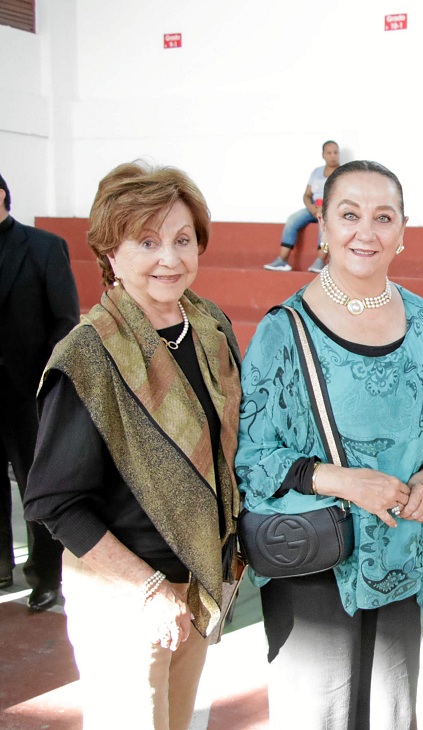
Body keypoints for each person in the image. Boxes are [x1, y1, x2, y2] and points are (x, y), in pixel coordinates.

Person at [236, 159, 423, 730]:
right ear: (323, 222)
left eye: (383, 217)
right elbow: (253, 456)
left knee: (392, 713)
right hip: (315, 556)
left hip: (403, 555)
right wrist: (345, 482)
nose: (366, 232)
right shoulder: (284, 330)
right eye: (349, 214)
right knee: (320, 714)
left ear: (403, 230)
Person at [22, 161, 242, 730]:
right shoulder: (88, 356)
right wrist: (146, 590)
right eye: (147, 241)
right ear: (110, 253)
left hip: (194, 583)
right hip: (123, 596)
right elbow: (54, 502)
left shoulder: (211, 328)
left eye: (182, 239)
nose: (169, 258)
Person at [0, 172, 79, 608]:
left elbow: (65, 321)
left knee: (37, 486)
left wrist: (46, 384)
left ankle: (47, 577)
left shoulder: (44, 247)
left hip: (27, 391)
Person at [263, 139, 340, 273]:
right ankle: (282, 260)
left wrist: (325, 207)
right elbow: (306, 195)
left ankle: (320, 261)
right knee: (293, 219)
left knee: (324, 226)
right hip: (313, 208)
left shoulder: (343, 172)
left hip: (330, 209)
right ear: (323, 155)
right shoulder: (316, 172)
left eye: (335, 152)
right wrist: (311, 207)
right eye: (329, 153)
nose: (333, 155)